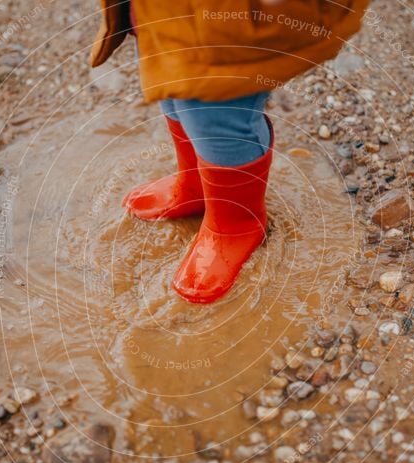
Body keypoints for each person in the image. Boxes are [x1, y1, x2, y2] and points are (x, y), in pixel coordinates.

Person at [91, 0, 369, 303]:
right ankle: (196, 184)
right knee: (169, 72)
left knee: (214, 108)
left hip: (234, 18)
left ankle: (236, 223)